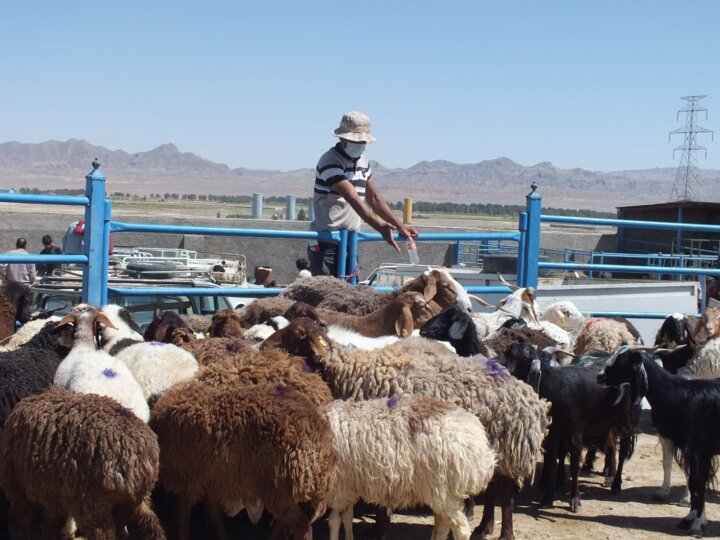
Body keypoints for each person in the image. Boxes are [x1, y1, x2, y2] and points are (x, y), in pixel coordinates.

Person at [308, 111, 418, 277]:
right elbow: (351, 196)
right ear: (343, 138)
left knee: (351, 293)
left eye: (363, 141)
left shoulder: (363, 161)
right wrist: (379, 226)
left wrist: (399, 226)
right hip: (328, 240)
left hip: (350, 240)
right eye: (355, 140)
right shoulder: (330, 161)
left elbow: (374, 198)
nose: (359, 144)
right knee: (328, 295)